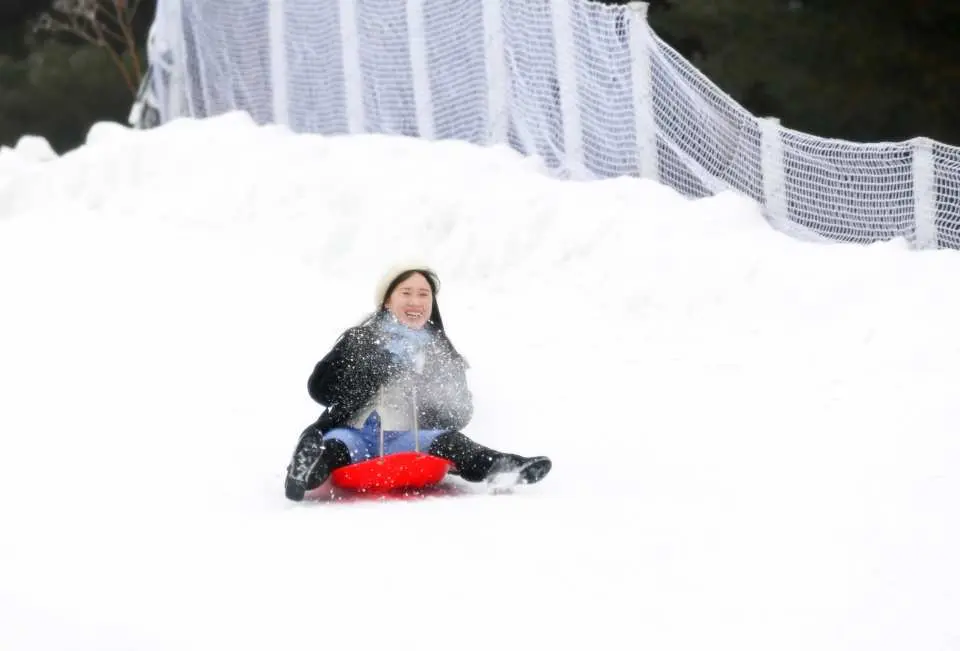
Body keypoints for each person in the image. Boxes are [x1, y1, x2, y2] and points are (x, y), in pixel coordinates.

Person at [284, 265, 552, 501]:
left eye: (424, 294)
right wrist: (373, 369)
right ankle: (304, 470)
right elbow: (319, 389)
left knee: (454, 443)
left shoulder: (439, 350)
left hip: (407, 438)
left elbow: (459, 414)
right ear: (388, 300)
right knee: (333, 450)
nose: (416, 301)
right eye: (406, 292)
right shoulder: (361, 339)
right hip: (354, 432)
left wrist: (436, 393)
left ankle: (505, 468)